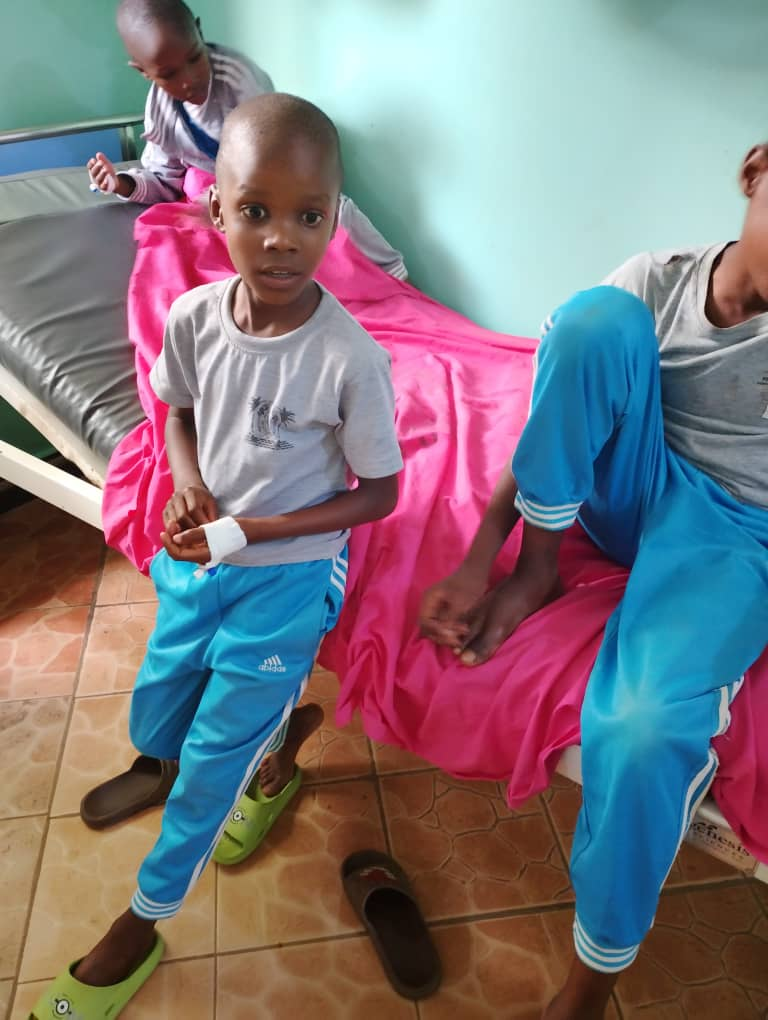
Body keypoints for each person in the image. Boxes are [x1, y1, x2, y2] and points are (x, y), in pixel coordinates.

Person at [31, 93, 402, 1017]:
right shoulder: (195, 316)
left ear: (334, 218)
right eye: (257, 211)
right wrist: (190, 485)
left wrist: (255, 531)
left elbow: (380, 494)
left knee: (214, 761)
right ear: (215, 210)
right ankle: (208, 753)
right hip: (202, 562)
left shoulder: (349, 358)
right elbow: (180, 411)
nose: (281, 239)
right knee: (162, 690)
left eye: (308, 216)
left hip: (285, 580)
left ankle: (143, 919)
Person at [420, 145, 768, 1019]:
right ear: (755, 172)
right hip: (633, 488)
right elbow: (559, 415)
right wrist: (486, 554)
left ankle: (585, 991)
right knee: (596, 321)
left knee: (645, 726)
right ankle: (542, 569)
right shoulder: (658, 282)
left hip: (731, 537)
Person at [87, 0, 408, 277]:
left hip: (273, 174)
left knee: (326, 211)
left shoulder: (240, 81)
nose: (188, 80)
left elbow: (269, 159)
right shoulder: (161, 112)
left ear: (199, 32)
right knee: (173, 243)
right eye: (169, 74)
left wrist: (230, 201)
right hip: (221, 196)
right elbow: (164, 181)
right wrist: (121, 184)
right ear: (144, 72)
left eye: (194, 58)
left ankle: (394, 278)